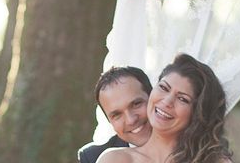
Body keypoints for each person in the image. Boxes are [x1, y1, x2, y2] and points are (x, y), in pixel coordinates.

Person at [99, 54, 232, 163]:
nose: (167, 101)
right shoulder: (114, 159)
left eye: (182, 99)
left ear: (198, 112)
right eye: (164, 88)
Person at [78, 66, 153, 163]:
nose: (131, 120)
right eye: (117, 115)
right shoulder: (93, 157)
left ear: (153, 97)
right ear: (109, 121)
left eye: (136, 104)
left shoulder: (179, 141)